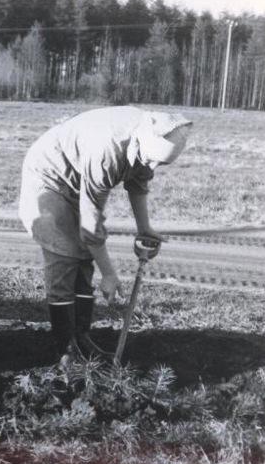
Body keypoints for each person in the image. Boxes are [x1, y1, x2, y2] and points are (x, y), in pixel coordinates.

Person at [18, 106, 192, 359]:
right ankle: (66, 350)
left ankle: (81, 337)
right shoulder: (108, 150)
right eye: (153, 159)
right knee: (65, 256)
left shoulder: (150, 140)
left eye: (161, 163)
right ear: (140, 144)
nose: (153, 166)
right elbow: (91, 227)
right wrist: (109, 274)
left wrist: (145, 229)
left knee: (84, 259)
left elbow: (138, 182)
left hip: (78, 180)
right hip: (48, 177)